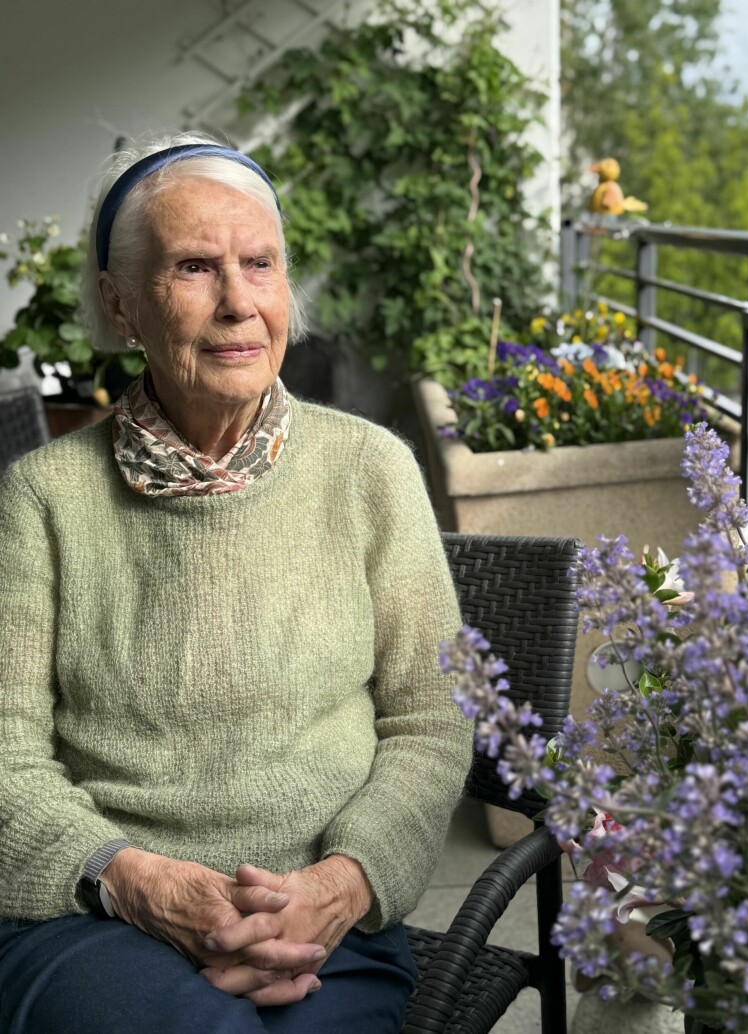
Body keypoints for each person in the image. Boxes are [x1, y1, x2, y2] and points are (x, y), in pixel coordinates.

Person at [0, 132, 474, 1034]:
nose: (237, 304)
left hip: (325, 919)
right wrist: (138, 882)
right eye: (193, 267)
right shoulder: (44, 496)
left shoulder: (369, 469)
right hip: (99, 913)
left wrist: (341, 885)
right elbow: (4, 755)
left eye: (260, 264)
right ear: (120, 304)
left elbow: (433, 716)